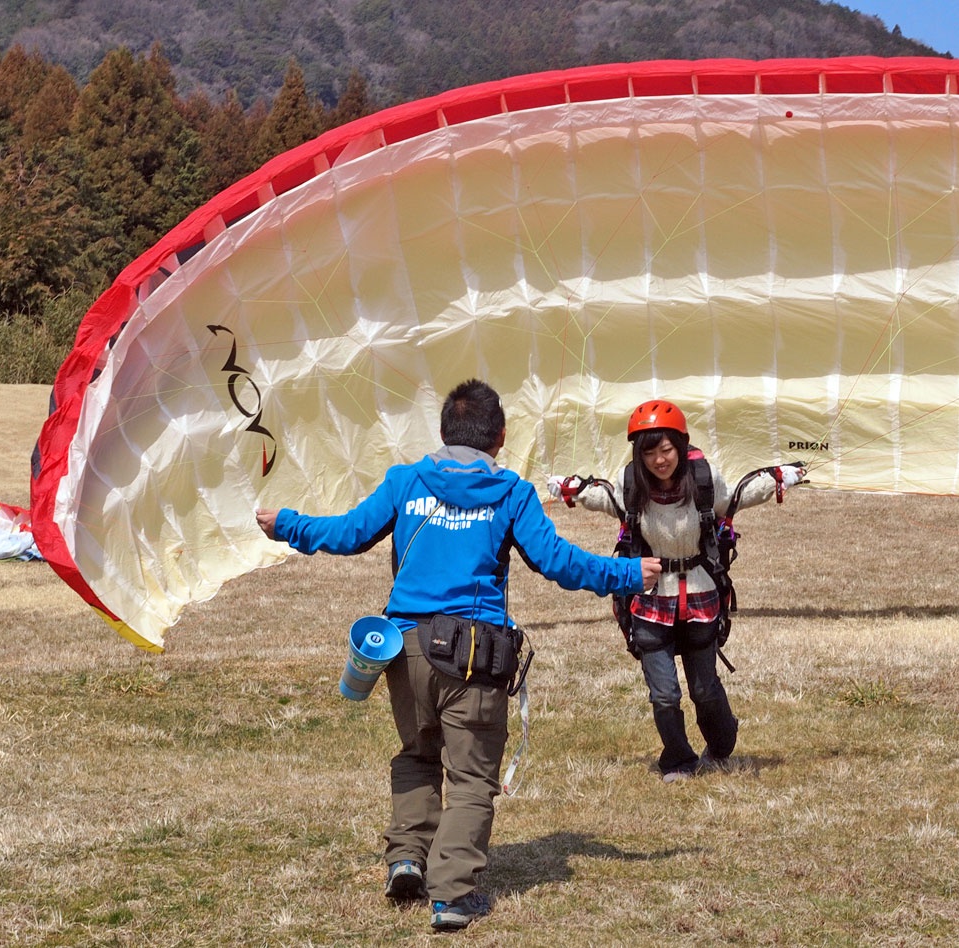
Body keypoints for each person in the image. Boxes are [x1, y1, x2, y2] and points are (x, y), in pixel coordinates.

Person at [256, 379, 660, 934]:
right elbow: (559, 563)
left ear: (443, 433)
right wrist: (629, 574)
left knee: (417, 754)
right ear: (499, 437)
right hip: (473, 654)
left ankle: (406, 858)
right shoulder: (512, 492)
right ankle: (450, 895)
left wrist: (287, 524)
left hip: (405, 651)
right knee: (471, 777)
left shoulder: (404, 482)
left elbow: (349, 533)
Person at [546, 399, 803, 783]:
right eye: (648, 452)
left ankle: (720, 746)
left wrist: (778, 479)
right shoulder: (631, 483)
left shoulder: (703, 480)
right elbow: (606, 499)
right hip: (650, 601)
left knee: (704, 688)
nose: (659, 460)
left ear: (680, 446)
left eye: (665, 449)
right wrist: (572, 490)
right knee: (664, 694)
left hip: (700, 598)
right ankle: (678, 760)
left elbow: (734, 499)